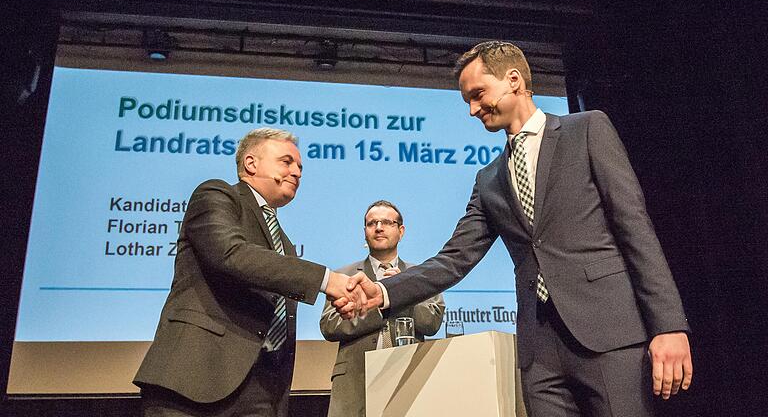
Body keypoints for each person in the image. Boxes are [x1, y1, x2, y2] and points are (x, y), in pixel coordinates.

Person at [337, 41, 692, 417]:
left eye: (478, 95)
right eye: (467, 102)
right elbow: (455, 259)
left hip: (609, 335)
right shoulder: (489, 178)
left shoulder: (587, 129)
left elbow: (635, 228)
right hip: (539, 353)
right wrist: (383, 292)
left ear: (513, 80)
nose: (473, 110)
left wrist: (668, 326)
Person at [134, 128, 365, 417]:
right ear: (251, 163)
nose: (297, 172)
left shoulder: (285, 244)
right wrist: (327, 280)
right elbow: (232, 255)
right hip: (195, 379)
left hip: (262, 390)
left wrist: (341, 297)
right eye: (286, 162)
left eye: (300, 167)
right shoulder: (216, 195)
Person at [320, 200, 445, 417]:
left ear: (401, 231)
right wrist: (378, 306)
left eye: (387, 222)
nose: (378, 227)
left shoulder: (421, 275)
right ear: (365, 232)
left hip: (408, 377)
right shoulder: (344, 275)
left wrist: (402, 294)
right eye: (372, 223)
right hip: (355, 382)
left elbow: (432, 322)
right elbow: (329, 325)